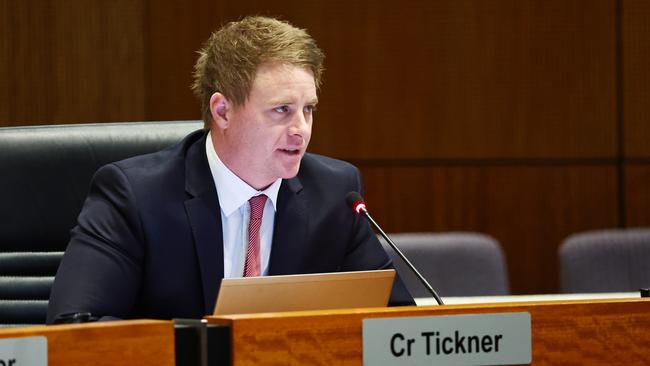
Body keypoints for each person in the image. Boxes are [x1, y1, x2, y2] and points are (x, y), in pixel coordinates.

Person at [47, 16, 413, 323]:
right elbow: (76, 324)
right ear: (222, 111)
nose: (301, 129)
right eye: (282, 110)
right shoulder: (135, 197)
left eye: (309, 109)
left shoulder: (335, 194)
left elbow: (396, 324)